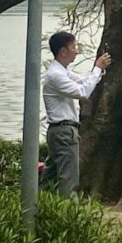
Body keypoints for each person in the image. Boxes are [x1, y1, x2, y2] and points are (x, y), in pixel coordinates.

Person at [40, 31, 111, 196]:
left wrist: (98, 71)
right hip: (64, 132)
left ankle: (36, 208)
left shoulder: (61, 71)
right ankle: (68, 216)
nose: (76, 51)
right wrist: (97, 68)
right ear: (63, 51)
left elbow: (83, 80)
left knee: (49, 176)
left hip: (59, 131)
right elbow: (83, 92)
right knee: (69, 179)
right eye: (73, 47)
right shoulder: (56, 76)